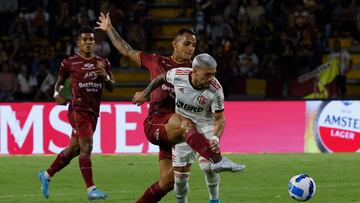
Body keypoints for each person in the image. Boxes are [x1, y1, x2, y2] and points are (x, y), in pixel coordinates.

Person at [96, 13, 244, 203]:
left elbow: (209, 101)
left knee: (168, 183)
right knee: (186, 123)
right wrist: (109, 28)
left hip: (179, 131)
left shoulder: (196, 71)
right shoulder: (157, 62)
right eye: (187, 43)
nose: (191, 48)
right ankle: (216, 160)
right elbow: (127, 51)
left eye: (193, 45)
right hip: (158, 123)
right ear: (175, 44)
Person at [133, 53, 245, 202]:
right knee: (179, 180)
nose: (211, 78)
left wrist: (216, 137)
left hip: (205, 125)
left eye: (213, 74)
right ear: (195, 71)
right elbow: (160, 77)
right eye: (208, 74)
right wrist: (146, 93)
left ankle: (214, 198)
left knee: (208, 167)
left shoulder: (216, 89)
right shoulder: (179, 75)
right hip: (183, 128)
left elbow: (219, 118)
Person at [38, 26, 115, 200]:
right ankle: (91, 189)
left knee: (74, 149)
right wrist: (56, 95)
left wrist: (105, 77)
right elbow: (59, 83)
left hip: (93, 111)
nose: (89, 42)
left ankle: (47, 175)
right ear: (78, 43)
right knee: (86, 146)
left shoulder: (103, 62)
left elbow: (111, 87)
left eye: (92, 40)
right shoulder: (69, 63)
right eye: (85, 39)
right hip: (77, 110)